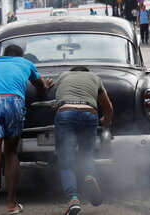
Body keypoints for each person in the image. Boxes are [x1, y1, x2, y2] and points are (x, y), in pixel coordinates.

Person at [0, 45, 53, 215]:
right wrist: (45, 88)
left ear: (4, 55)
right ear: (21, 55)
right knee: (11, 153)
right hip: (14, 102)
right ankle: (11, 204)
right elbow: (41, 88)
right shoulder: (26, 63)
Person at [54, 66, 113, 215]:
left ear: (72, 72)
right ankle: (89, 177)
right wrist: (106, 124)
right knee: (86, 154)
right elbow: (109, 108)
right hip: (89, 112)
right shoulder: (95, 78)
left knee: (66, 163)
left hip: (65, 112)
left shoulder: (62, 76)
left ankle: (73, 199)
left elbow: (56, 97)